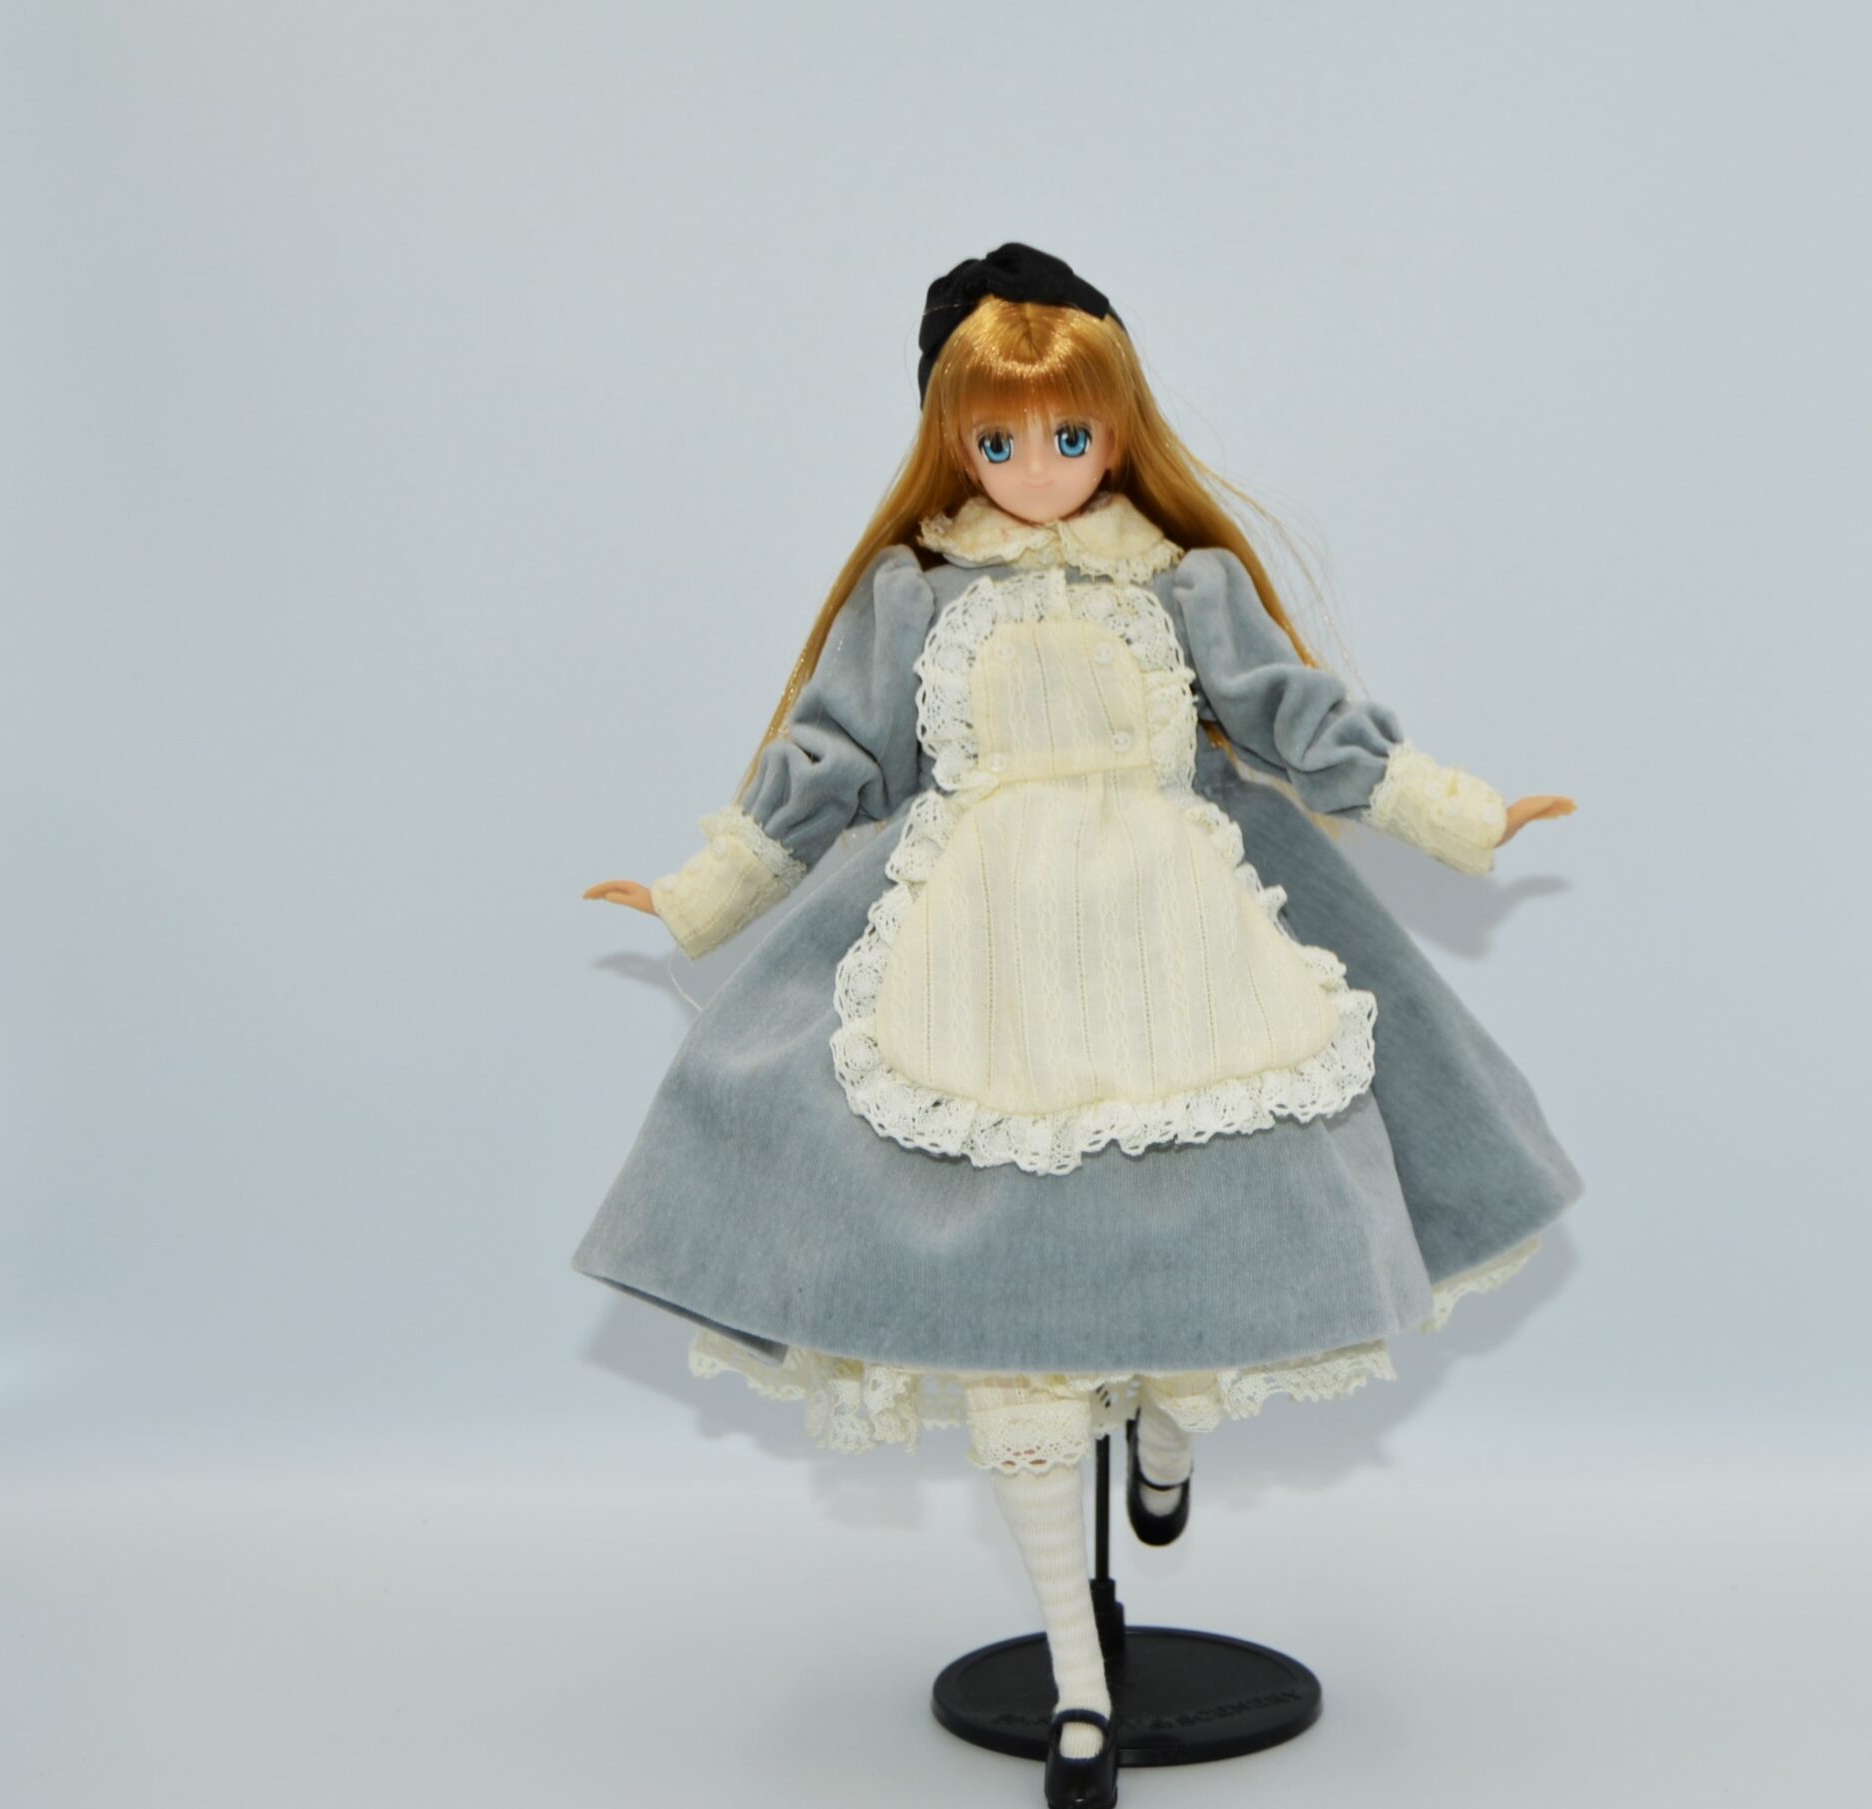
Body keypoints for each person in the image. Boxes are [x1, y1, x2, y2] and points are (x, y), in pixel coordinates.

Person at [579, 242, 1584, 1808]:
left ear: (1119, 430)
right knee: (1013, 1324)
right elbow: (829, 760)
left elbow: (1296, 718)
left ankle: (1169, 1427)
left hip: (1180, 934)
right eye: (1000, 439)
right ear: (950, 438)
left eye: (1070, 435)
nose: (1039, 468)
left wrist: (1455, 811)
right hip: (976, 955)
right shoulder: (912, 599)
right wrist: (700, 892)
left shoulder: (1179, 586)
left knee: (1242, 1205)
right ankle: (1074, 1682)